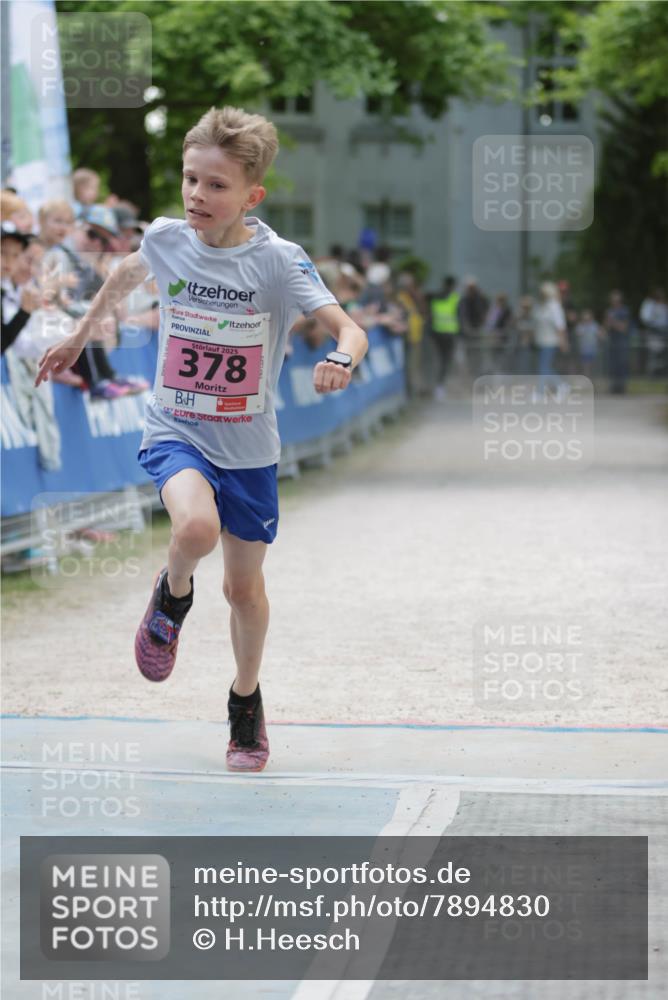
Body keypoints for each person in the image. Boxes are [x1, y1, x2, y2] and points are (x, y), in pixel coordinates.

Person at [35, 105, 368, 773]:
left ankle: (246, 701)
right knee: (194, 529)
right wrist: (81, 332)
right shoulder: (165, 238)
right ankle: (172, 594)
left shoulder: (278, 262)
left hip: (249, 448)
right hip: (177, 426)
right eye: (191, 180)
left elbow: (349, 328)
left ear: (252, 195)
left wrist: (342, 359)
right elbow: (125, 275)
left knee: (244, 591)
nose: (198, 196)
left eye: (216, 185)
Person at [532, 281, 568, 397]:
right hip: (541, 341)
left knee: (543, 367)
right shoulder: (540, 305)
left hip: (551, 341)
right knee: (545, 367)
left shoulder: (554, 306)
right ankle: (562, 386)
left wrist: (563, 341)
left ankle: (541, 392)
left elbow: (560, 325)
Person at [428, 275, 459, 400]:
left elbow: (430, 315)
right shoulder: (455, 298)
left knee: (438, 360)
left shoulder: (434, 297)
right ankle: (440, 386)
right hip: (449, 334)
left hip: (436, 333)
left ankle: (438, 386)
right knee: (446, 360)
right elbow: (460, 316)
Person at [603, 289, 631, 394]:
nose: (614, 301)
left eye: (616, 299)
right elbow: (606, 327)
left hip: (621, 342)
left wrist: (613, 322)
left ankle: (622, 388)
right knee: (612, 365)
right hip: (612, 342)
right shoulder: (609, 311)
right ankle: (614, 387)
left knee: (621, 365)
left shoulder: (624, 311)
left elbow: (624, 328)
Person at [574, 308, 602, 379]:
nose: (586, 319)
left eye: (588, 317)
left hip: (593, 350)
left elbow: (600, 334)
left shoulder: (594, 325)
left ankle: (592, 381)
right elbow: (577, 333)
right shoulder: (580, 326)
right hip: (584, 350)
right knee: (586, 368)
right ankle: (587, 381)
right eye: (584, 317)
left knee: (593, 368)